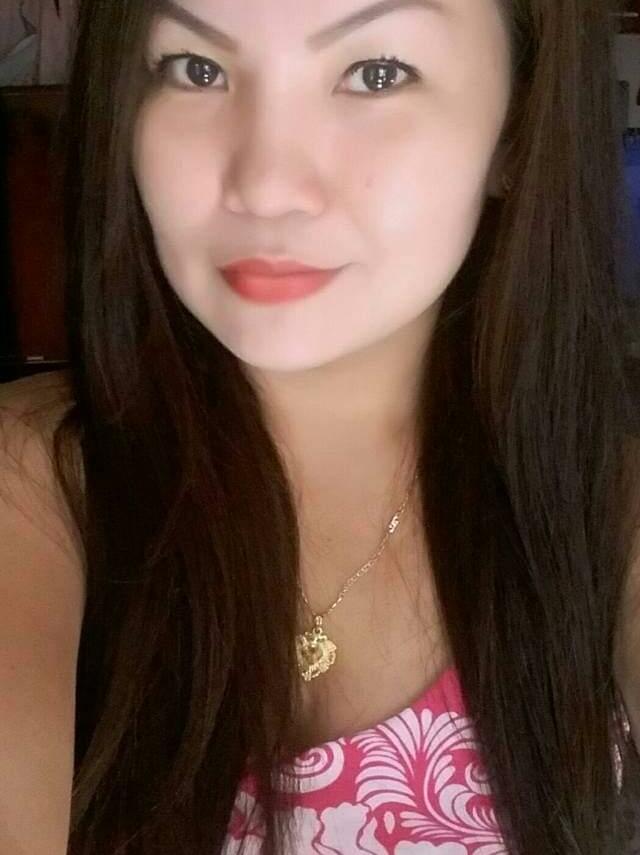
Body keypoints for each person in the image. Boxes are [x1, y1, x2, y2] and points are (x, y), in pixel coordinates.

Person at [0, 0, 639, 852]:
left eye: (376, 73)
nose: (264, 186)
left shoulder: (610, 509)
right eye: (197, 68)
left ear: (516, 130)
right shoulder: (35, 487)